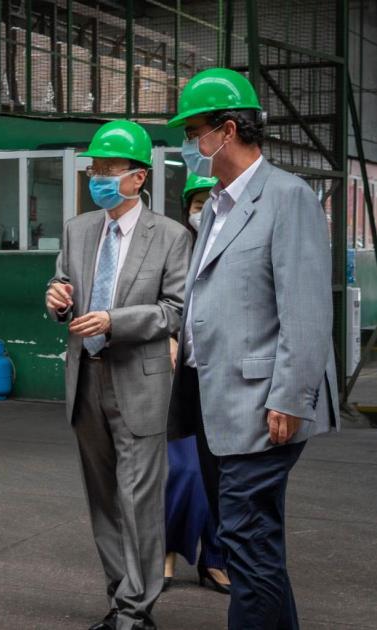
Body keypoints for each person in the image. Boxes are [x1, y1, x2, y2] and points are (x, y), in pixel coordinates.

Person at [165, 68, 340, 630]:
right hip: (214, 402)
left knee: (244, 539)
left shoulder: (285, 198)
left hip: (263, 406)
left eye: (195, 133)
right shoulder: (215, 206)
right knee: (254, 541)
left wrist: (290, 398)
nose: (191, 146)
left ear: (228, 130)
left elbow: (307, 311)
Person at [45, 120, 191, 630]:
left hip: (139, 380)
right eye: (95, 169)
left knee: (139, 500)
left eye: (109, 170)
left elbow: (174, 311)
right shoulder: (79, 229)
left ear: (138, 178)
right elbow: (63, 284)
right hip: (86, 378)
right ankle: (121, 597)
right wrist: (57, 299)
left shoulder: (171, 237)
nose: (98, 178)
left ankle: (135, 610)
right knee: (103, 497)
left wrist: (115, 321)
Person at [163, 173, 230, 595]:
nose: (203, 208)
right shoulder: (173, 246)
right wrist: (167, 337)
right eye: (197, 200)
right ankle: (164, 552)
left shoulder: (234, 246)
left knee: (223, 476)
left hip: (224, 377)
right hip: (177, 378)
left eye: (211, 199)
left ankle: (215, 559)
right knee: (184, 470)